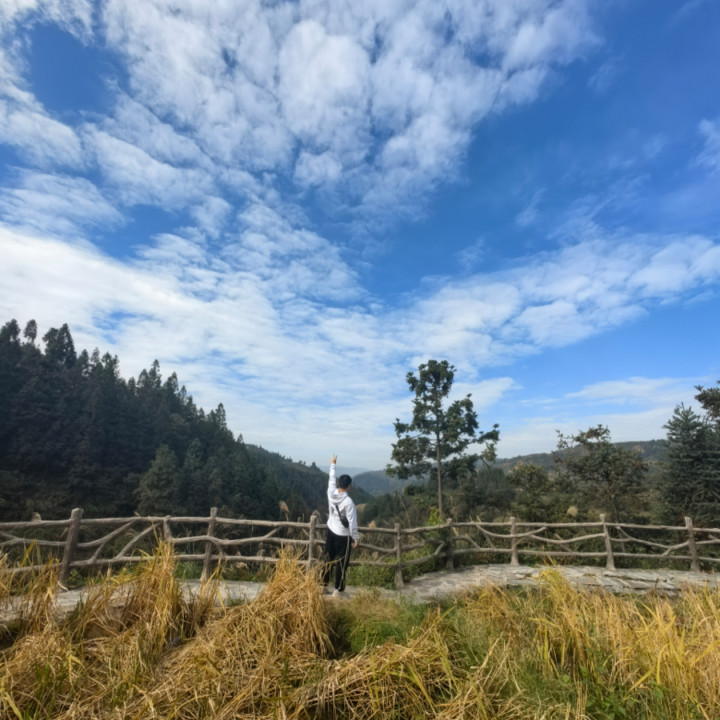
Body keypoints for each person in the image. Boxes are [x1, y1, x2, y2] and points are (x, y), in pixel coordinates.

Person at [324, 454, 359, 597]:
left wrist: (333, 464)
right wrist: (356, 538)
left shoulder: (330, 492)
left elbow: (331, 478)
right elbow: (352, 522)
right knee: (341, 563)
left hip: (331, 531)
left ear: (339, 484)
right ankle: (338, 591)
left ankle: (323, 585)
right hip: (343, 536)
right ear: (348, 486)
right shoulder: (349, 502)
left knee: (328, 559)